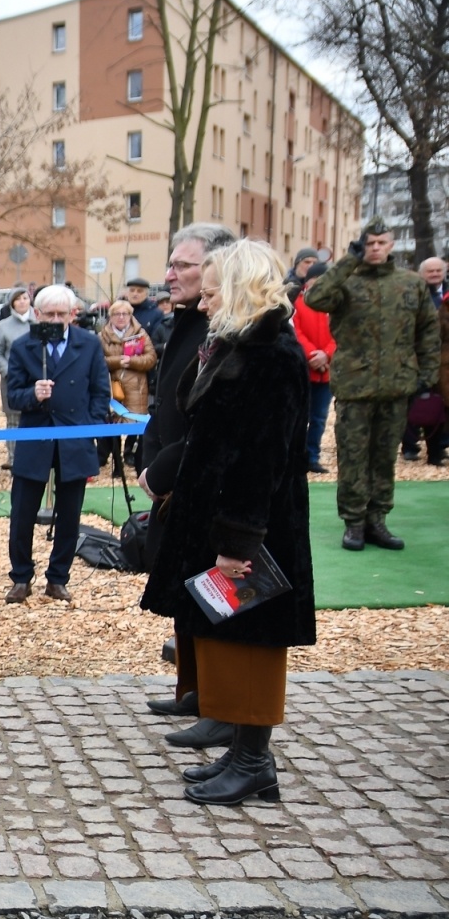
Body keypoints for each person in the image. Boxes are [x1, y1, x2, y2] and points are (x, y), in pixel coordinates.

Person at [139, 239, 316, 806]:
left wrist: (238, 542)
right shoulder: (238, 344)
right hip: (223, 515)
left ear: (240, 290)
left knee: (252, 643)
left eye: (213, 293)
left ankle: (254, 763)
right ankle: (240, 752)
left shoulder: (272, 355)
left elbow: (260, 456)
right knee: (231, 636)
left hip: (253, 526)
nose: (205, 303)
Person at [136, 222, 236, 732]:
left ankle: (220, 703)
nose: (170, 275)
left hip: (201, 482)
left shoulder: (227, 329)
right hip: (175, 480)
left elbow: (209, 420)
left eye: (183, 265)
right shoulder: (187, 321)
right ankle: (195, 691)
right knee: (186, 591)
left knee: (211, 594)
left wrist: (164, 468)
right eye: (170, 264)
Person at [303, 217, 441, 550]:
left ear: (391, 245)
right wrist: (347, 261)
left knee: (384, 457)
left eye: (381, 243)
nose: (375, 248)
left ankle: (377, 520)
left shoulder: (410, 283)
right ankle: (353, 522)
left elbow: (428, 330)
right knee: (352, 456)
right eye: (369, 243)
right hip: (355, 386)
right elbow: (314, 298)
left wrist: (427, 375)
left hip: (397, 384)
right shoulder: (345, 282)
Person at [3, 285, 110, 604]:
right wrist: (33, 395)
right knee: (22, 514)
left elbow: (100, 391)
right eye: (48, 314)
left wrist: (88, 428)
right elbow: (13, 396)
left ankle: (58, 578)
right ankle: (21, 577)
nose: (55, 320)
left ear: (72, 314)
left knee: (69, 515)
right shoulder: (23, 346)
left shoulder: (89, 344)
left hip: (74, 438)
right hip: (35, 437)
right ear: (37, 314)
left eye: (61, 314)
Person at [98, 299, 156, 469]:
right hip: (113, 387)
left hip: (136, 387)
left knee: (136, 426)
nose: (121, 317)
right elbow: (97, 361)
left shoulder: (141, 334)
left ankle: (135, 461)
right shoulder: (102, 336)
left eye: (125, 314)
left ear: (131, 315)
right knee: (113, 426)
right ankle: (116, 465)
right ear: (111, 316)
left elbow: (151, 358)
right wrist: (117, 361)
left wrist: (132, 361)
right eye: (117, 314)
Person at [400, 256, 446, 462]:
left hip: (443, 360)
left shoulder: (446, 294)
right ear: (421, 274)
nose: (435, 274)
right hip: (414, 356)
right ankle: (410, 446)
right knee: (413, 401)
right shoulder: (411, 293)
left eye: (438, 270)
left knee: (438, 403)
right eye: (430, 271)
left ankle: (437, 447)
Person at [292, 262, 336, 472]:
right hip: (305, 369)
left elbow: (341, 333)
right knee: (299, 417)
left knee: (319, 418)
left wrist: (326, 354)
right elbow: (296, 332)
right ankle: (296, 456)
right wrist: (311, 354)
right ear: (307, 282)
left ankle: (312, 456)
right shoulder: (298, 303)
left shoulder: (336, 305)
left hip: (326, 370)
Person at [0, 287, 33, 471]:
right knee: (14, 421)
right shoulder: (3, 326)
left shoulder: (39, 322)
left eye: (25, 298)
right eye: (18, 298)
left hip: (37, 381)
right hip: (12, 381)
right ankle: (15, 460)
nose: (22, 301)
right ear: (12, 303)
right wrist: (10, 371)